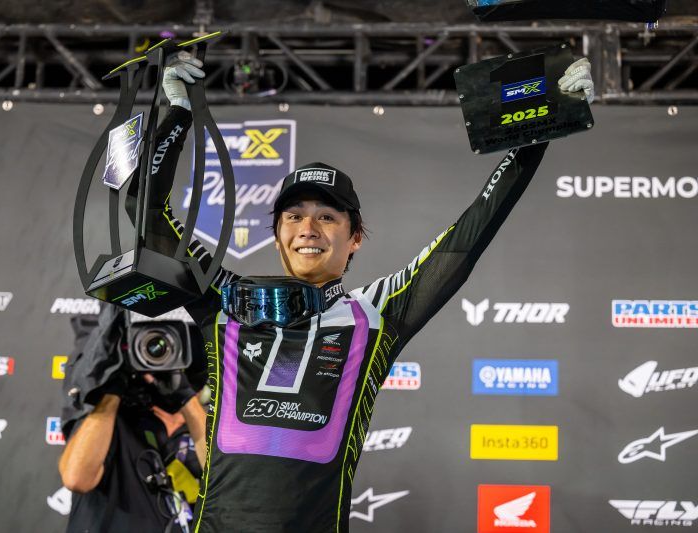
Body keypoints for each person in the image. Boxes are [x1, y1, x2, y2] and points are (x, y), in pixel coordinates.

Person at [127, 51, 595, 532]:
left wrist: (545, 123)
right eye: (294, 216)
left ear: (355, 239)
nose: (308, 228)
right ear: (277, 235)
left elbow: (470, 236)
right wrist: (177, 114)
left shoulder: (377, 313)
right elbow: (145, 214)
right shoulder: (226, 298)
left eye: (327, 217)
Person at [58, 309, 208, 533]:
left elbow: (227, 479)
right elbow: (76, 478)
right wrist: (113, 386)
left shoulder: (201, 424)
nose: (156, 355)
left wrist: (185, 397)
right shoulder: (109, 422)